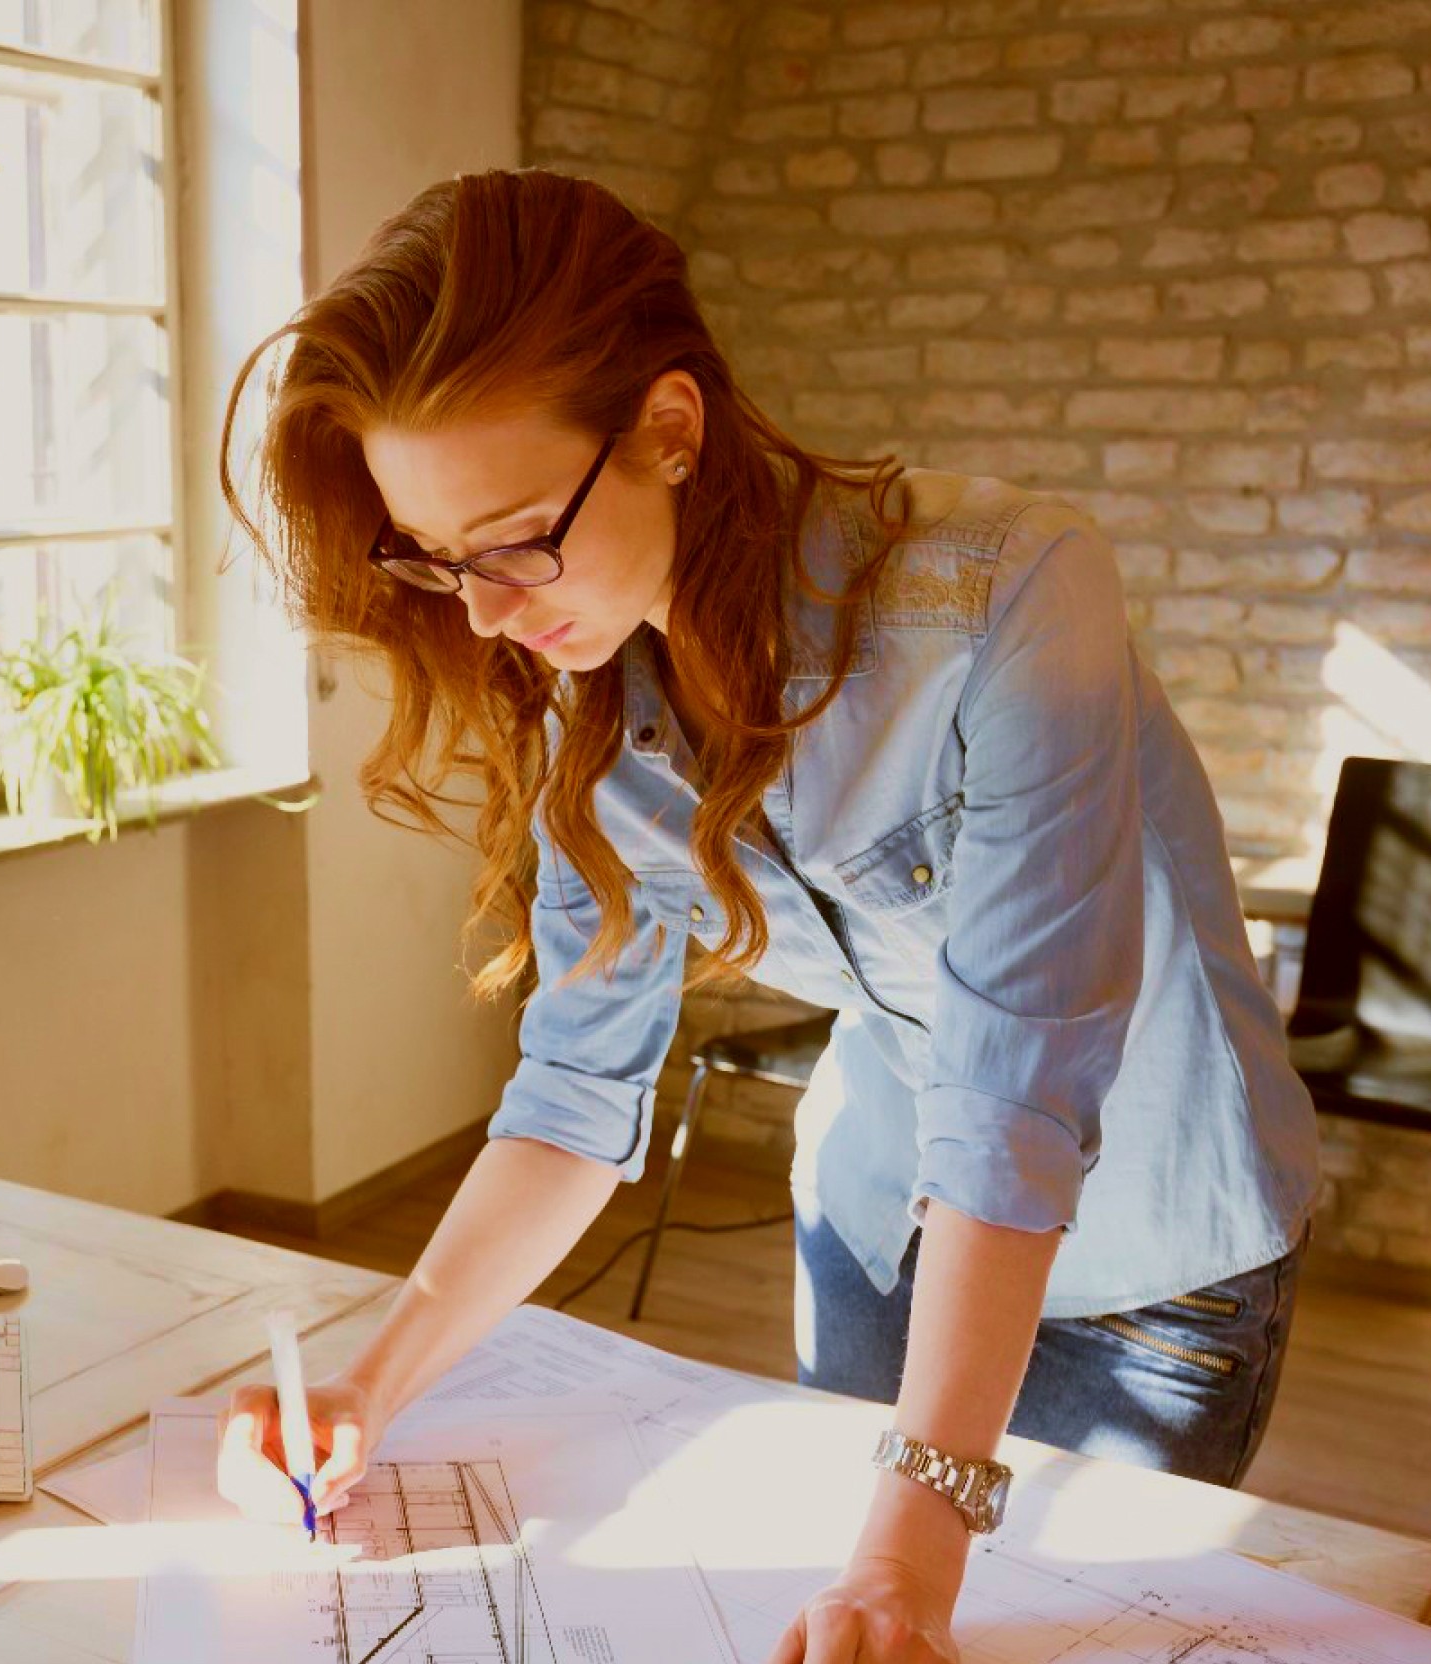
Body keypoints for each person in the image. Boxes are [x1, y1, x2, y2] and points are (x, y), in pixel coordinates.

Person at [207, 168, 1322, 1663]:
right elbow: (575, 1090)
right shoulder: (585, 686)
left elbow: (1015, 1100)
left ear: (671, 428)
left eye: (519, 535)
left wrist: (912, 1557)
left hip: (1148, 1257)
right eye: (438, 554)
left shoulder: (1012, 593)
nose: (480, 613)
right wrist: (372, 1382)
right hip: (874, 1221)